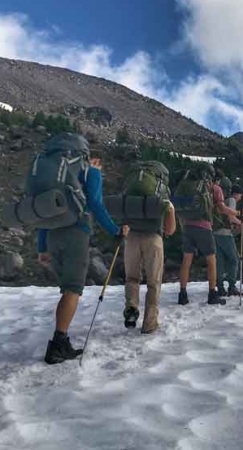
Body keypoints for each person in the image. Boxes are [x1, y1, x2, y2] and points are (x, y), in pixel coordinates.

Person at [37, 145, 129, 365]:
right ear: (94, 159)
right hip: (75, 234)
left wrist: (42, 247)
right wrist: (116, 230)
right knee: (72, 290)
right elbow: (96, 204)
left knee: (67, 289)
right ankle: (58, 346)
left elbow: (45, 212)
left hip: (52, 234)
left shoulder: (57, 177)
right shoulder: (90, 172)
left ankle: (61, 340)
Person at [178, 165, 241, 306]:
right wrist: (236, 213)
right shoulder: (214, 188)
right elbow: (222, 208)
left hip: (187, 226)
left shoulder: (187, 184)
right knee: (212, 262)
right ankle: (212, 294)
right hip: (204, 227)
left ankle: (182, 294)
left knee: (186, 261)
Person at [122, 197, 177, 334]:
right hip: (153, 238)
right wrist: (171, 210)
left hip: (132, 237)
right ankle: (150, 323)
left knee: (131, 278)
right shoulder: (161, 195)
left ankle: (131, 308)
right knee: (154, 282)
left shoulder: (132, 190)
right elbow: (170, 230)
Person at [213, 181, 243, 297]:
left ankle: (220, 287)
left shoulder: (222, 201)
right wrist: (240, 222)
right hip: (225, 234)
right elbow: (231, 217)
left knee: (219, 261)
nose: (240, 198)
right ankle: (232, 286)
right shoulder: (232, 200)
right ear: (236, 193)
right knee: (234, 259)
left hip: (215, 233)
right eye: (240, 195)